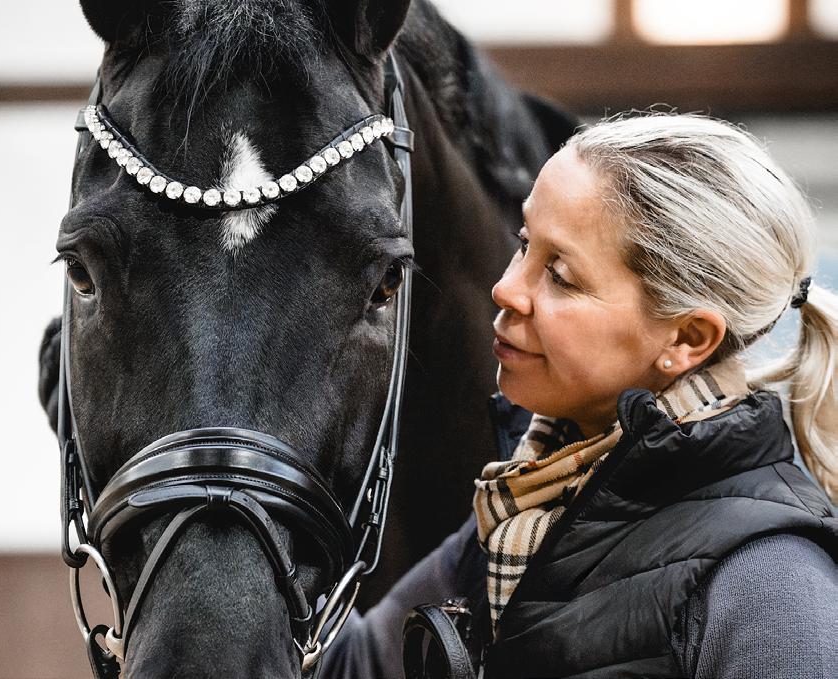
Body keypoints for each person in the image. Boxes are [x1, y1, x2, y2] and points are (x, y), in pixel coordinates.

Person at [321, 113, 838, 679]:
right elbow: (351, 668)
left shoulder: (772, 592)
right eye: (524, 244)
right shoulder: (531, 504)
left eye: (561, 275)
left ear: (688, 338)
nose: (506, 288)